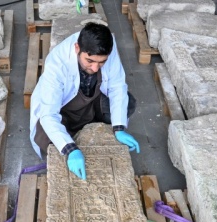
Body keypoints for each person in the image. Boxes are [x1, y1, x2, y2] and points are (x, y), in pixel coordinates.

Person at [29, 22, 138, 180]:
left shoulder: (108, 48)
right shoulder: (57, 63)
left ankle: (100, 132)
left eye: (101, 63)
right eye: (90, 61)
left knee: (127, 102)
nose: (95, 68)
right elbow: (49, 114)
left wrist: (119, 127)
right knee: (48, 136)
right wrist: (70, 149)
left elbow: (117, 87)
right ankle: (69, 146)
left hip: (91, 103)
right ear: (77, 48)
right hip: (63, 109)